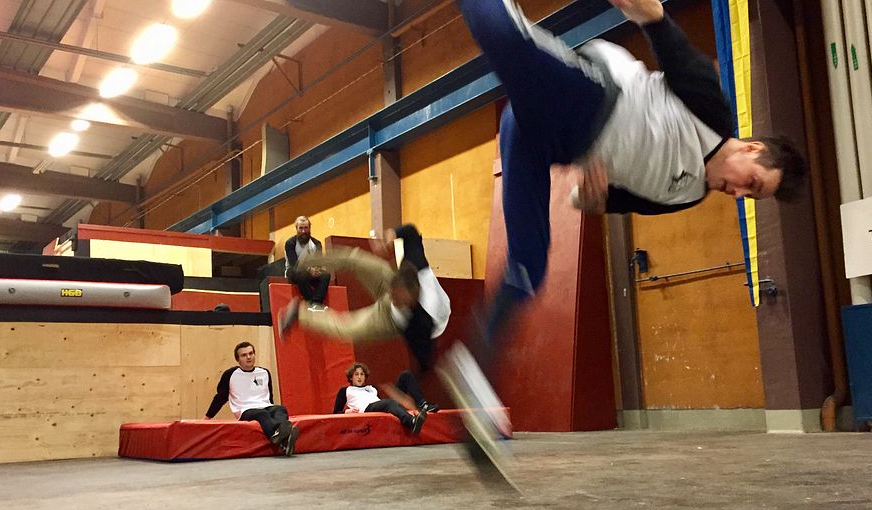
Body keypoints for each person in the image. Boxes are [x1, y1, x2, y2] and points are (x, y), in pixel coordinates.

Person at [440, 0, 807, 485]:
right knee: (509, 41)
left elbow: (615, 201)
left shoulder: (686, 194)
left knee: (527, 269)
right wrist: (647, 12)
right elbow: (661, 30)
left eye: (749, 197)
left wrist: (591, 198)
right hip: (590, 97)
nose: (737, 193)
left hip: (547, 142)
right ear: (752, 149)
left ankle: (475, 379)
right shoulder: (713, 110)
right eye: (752, 184)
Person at [279, 224, 451, 377]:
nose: (390, 296)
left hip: (390, 320)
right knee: (355, 258)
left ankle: (299, 313)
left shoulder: (420, 324)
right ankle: (303, 265)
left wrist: (420, 375)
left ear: (410, 299)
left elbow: (424, 358)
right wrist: (393, 233)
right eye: (392, 292)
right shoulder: (417, 266)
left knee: (347, 327)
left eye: (396, 298)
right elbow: (412, 233)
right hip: (401, 285)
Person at [203, 341, 300, 456]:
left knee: (280, 409)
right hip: (245, 410)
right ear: (237, 359)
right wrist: (208, 416)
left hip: (265, 406)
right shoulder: (230, 374)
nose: (249, 357)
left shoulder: (264, 373)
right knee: (262, 414)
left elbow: (269, 396)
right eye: (244, 355)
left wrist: (273, 409)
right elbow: (221, 397)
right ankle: (282, 436)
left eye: (251, 353)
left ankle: (282, 439)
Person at [332, 363, 436, 433]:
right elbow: (335, 412)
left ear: (365, 376)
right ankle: (411, 422)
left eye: (362, 374)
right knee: (388, 403)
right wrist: (346, 412)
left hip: (380, 404)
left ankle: (424, 405)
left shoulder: (372, 388)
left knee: (405, 375)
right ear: (351, 377)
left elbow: (381, 403)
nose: (359, 377)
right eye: (356, 374)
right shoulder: (345, 390)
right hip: (366, 409)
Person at [284, 215, 331, 309]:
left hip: (311, 271)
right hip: (294, 271)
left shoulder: (316, 243)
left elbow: (318, 261)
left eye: (306, 228)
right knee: (300, 273)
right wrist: (309, 269)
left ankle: (317, 303)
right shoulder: (290, 243)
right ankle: (309, 302)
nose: (303, 231)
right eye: (300, 228)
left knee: (326, 275)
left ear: (309, 228)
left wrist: (317, 269)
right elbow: (294, 264)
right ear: (296, 229)